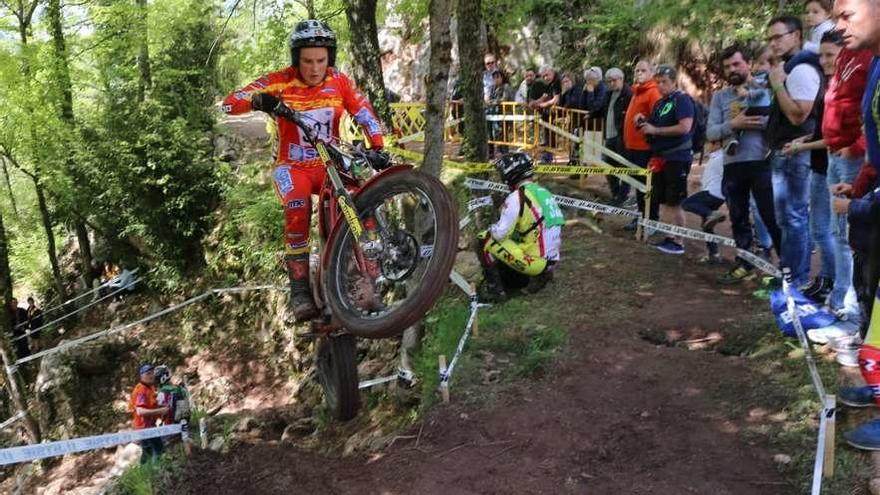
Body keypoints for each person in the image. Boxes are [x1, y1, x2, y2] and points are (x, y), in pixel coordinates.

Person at [222, 19, 387, 322]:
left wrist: (377, 144)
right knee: (297, 208)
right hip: (292, 167)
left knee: (361, 201)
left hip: (329, 164)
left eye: (321, 60)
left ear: (330, 58)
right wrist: (258, 100)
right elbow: (229, 105)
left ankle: (371, 274)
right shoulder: (280, 80)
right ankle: (298, 291)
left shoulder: (339, 82)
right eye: (307, 61)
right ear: (296, 59)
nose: (314, 68)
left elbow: (363, 110)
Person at [825, 0, 880, 450]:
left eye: (848, 16)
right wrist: (860, 187)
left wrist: (862, 207)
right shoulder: (875, 63)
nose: (836, 26)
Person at [708, 45, 782, 284]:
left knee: (772, 218)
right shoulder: (720, 96)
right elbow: (710, 132)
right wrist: (735, 124)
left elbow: (780, 122)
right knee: (738, 218)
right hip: (733, 166)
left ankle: (788, 270)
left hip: (762, 162)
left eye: (737, 64)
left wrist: (757, 123)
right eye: (727, 66)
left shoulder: (767, 88)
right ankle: (745, 264)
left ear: (748, 63)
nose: (732, 69)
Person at [781, 31, 839, 317]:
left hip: (831, 166)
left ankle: (836, 287)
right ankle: (827, 280)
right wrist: (804, 142)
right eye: (822, 55)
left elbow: (839, 137)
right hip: (818, 162)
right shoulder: (830, 85)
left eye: (831, 55)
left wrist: (803, 146)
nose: (824, 61)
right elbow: (823, 131)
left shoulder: (842, 89)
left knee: (827, 232)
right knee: (822, 230)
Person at [765, 15, 824, 289]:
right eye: (770, 39)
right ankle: (790, 274)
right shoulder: (792, 66)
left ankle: (796, 280)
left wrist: (777, 84)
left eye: (778, 37)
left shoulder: (801, 70)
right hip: (785, 151)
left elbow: (799, 115)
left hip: (795, 152)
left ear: (797, 35)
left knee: (794, 218)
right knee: (787, 218)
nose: (773, 43)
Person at [474, 152, 564, 302]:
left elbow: (500, 234)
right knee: (517, 236)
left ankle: (495, 291)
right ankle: (538, 277)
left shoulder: (517, 197)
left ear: (511, 174)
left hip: (535, 262)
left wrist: (492, 227)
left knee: (483, 238)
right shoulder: (544, 193)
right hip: (552, 260)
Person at [636, 64, 695, 255]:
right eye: (658, 82)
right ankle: (670, 236)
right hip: (661, 156)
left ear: (674, 82)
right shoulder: (661, 103)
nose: (661, 86)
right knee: (664, 199)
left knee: (675, 201)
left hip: (677, 156)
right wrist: (643, 123)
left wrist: (657, 130)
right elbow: (653, 126)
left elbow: (685, 127)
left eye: (665, 82)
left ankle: (679, 241)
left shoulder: (682, 100)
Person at [623, 60, 663, 230]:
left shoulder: (653, 92)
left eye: (643, 70)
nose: (639, 73)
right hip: (632, 147)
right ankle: (640, 217)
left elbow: (659, 118)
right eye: (637, 70)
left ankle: (651, 221)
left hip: (645, 149)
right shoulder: (636, 91)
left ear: (651, 73)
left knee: (647, 187)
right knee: (638, 187)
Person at [682, 147, 726, 263]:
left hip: (712, 193)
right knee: (707, 226)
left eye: (710, 143)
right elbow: (713, 174)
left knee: (687, 204)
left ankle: (711, 213)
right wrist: (700, 182)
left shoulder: (722, 156)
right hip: (716, 194)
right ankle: (714, 254)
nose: (707, 146)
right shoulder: (715, 156)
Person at [600, 67, 634, 206]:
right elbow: (603, 109)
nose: (611, 83)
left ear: (621, 79)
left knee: (623, 166)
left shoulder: (629, 94)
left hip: (621, 136)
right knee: (608, 165)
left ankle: (622, 195)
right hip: (609, 136)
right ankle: (616, 194)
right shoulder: (608, 94)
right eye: (609, 81)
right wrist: (591, 114)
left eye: (614, 80)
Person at [129, 364, 169, 464]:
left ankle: (145, 472)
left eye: (152, 373)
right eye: (148, 374)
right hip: (144, 426)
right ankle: (157, 473)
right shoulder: (141, 390)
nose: (152, 376)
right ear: (142, 376)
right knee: (158, 449)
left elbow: (151, 404)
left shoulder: (149, 388)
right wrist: (160, 411)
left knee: (148, 451)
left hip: (147, 425)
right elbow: (140, 411)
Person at [154, 365, 193, 455]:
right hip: (184, 422)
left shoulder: (163, 392)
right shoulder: (180, 388)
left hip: (170, 425)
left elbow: (160, 410)